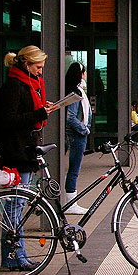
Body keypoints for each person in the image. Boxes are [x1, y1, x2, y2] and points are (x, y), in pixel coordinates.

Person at [0, 45, 56, 271]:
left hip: (25, 149)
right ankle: (13, 257)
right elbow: (9, 120)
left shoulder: (29, 83)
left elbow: (26, 113)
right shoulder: (15, 85)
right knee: (14, 207)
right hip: (16, 152)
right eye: (38, 67)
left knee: (17, 205)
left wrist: (42, 109)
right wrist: (39, 113)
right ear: (26, 64)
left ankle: (16, 255)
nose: (40, 72)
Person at [62, 62, 92, 215]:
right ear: (81, 74)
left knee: (74, 168)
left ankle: (70, 200)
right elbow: (70, 117)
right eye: (84, 72)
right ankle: (71, 202)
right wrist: (84, 129)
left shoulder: (77, 91)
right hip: (77, 135)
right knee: (74, 168)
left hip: (77, 134)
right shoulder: (76, 92)